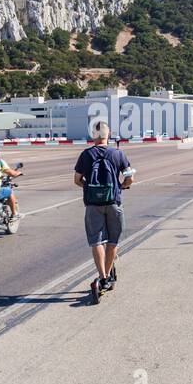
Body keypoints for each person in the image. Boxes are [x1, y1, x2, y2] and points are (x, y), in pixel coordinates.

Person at [74, 120, 132, 301]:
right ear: (109, 134)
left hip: (93, 204)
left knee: (96, 241)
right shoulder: (117, 153)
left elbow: (76, 180)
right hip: (114, 201)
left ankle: (102, 276)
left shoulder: (86, 155)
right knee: (112, 241)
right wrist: (122, 186)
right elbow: (130, 177)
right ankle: (107, 275)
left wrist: (88, 188)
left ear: (93, 136)